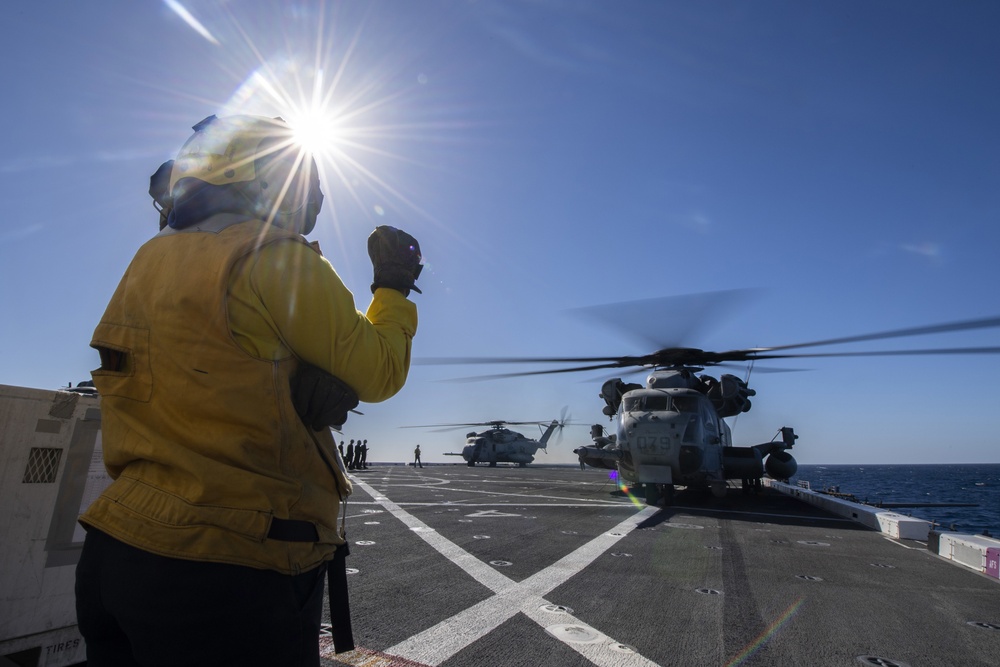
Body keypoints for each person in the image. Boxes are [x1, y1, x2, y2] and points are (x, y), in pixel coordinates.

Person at [74, 114, 423, 667]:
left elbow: (206, 358)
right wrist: (394, 288)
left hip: (117, 551)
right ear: (265, 179)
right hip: (231, 565)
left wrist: (286, 377)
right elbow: (378, 372)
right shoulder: (271, 257)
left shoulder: (149, 260)